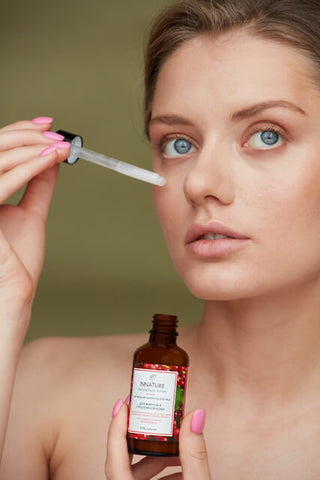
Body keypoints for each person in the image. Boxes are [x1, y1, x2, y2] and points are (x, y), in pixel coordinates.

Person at [1, 0, 320, 477]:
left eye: (267, 135)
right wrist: (6, 304)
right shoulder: (41, 386)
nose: (197, 182)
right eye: (178, 144)